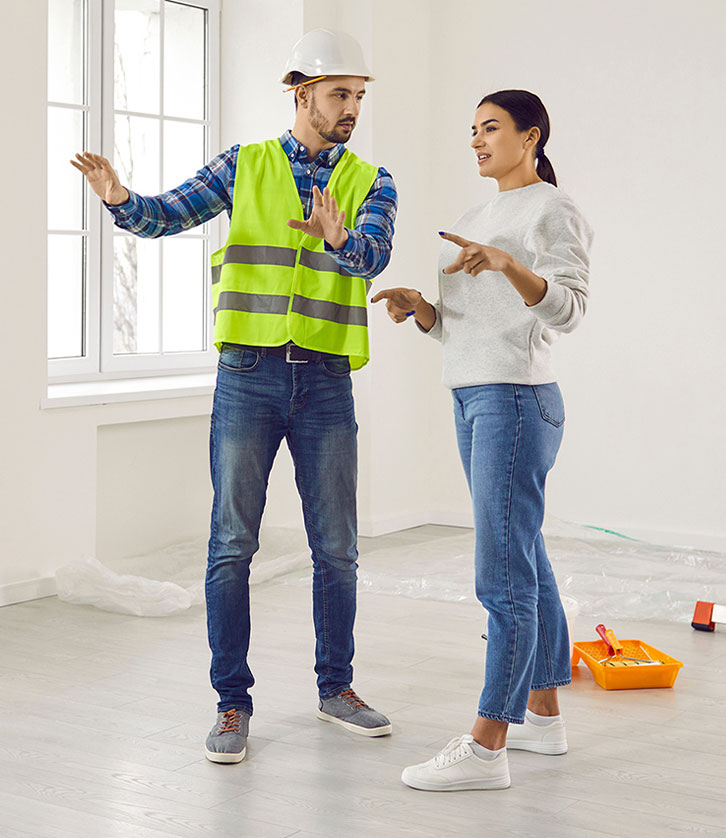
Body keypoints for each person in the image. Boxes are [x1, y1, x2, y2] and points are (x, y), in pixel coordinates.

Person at [71, 29, 397, 764]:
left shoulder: (371, 179)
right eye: (340, 94)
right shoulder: (244, 164)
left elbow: (374, 256)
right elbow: (169, 213)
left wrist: (339, 238)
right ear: (302, 93)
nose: (351, 108)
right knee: (230, 545)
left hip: (325, 380)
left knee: (337, 549)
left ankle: (335, 688)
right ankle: (231, 703)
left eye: (358, 96)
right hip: (247, 377)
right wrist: (121, 199)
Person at [372, 89, 593, 791]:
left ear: (531, 136)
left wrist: (508, 264)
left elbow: (569, 309)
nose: (476, 140)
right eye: (471, 130)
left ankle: (488, 744)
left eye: (490, 128)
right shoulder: (475, 216)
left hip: (518, 401)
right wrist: (425, 311)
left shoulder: (552, 210)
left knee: (500, 574)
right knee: (523, 554)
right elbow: (469, 329)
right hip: (473, 393)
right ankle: (544, 714)